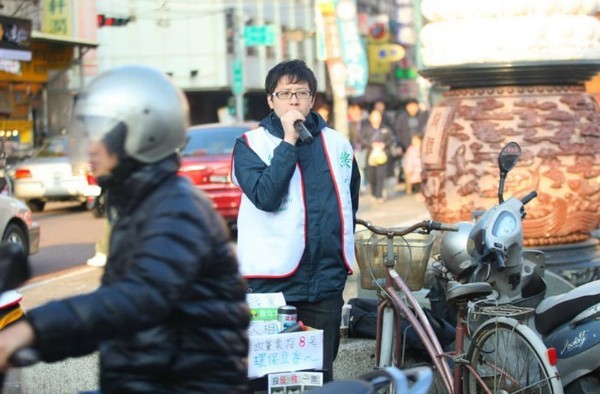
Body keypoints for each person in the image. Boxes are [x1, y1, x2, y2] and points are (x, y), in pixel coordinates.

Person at [0, 65, 250, 393]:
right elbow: (112, 317)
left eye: (102, 133)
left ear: (142, 133)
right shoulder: (141, 204)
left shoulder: (177, 208)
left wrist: (30, 329)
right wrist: (35, 346)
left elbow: (138, 299)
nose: (91, 146)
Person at [231, 59, 361, 382]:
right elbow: (265, 196)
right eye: (284, 93)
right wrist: (288, 142)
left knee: (318, 374)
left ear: (312, 99)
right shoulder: (251, 145)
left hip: (325, 284)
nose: (293, 100)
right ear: (270, 100)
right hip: (272, 285)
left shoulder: (337, 143)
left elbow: (349, 201)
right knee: (269, 377)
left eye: (301, 92)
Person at [361, 106, 395, 203]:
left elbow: (391, 139)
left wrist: (384, 145)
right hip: (370, 155)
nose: (377, 119)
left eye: (378, 116)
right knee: (371, 175)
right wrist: (371, 145)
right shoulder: (366, 129)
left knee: (380, 175)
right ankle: (374, 194)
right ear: (370, 118)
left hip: (382, 155)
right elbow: (362, 139)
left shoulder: (386, 128)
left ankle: (379, 195)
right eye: (374, 116)